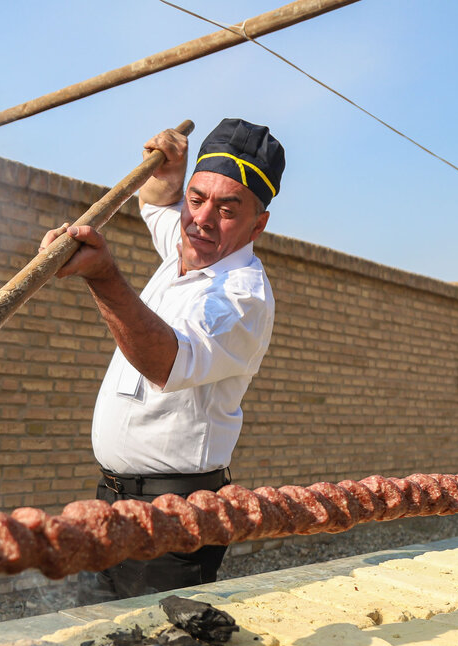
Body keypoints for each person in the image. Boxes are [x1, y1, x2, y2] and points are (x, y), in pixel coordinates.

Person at [39, 118, 285, 602]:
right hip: (110, 502)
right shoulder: (190, 241)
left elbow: (167, 362)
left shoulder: (241, 298)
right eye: (197, 198)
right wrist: (169, 173)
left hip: (175, 518)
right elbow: (155, 203)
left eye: (228, 208)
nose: (203, 219)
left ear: (259, 224)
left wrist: (103, 275)